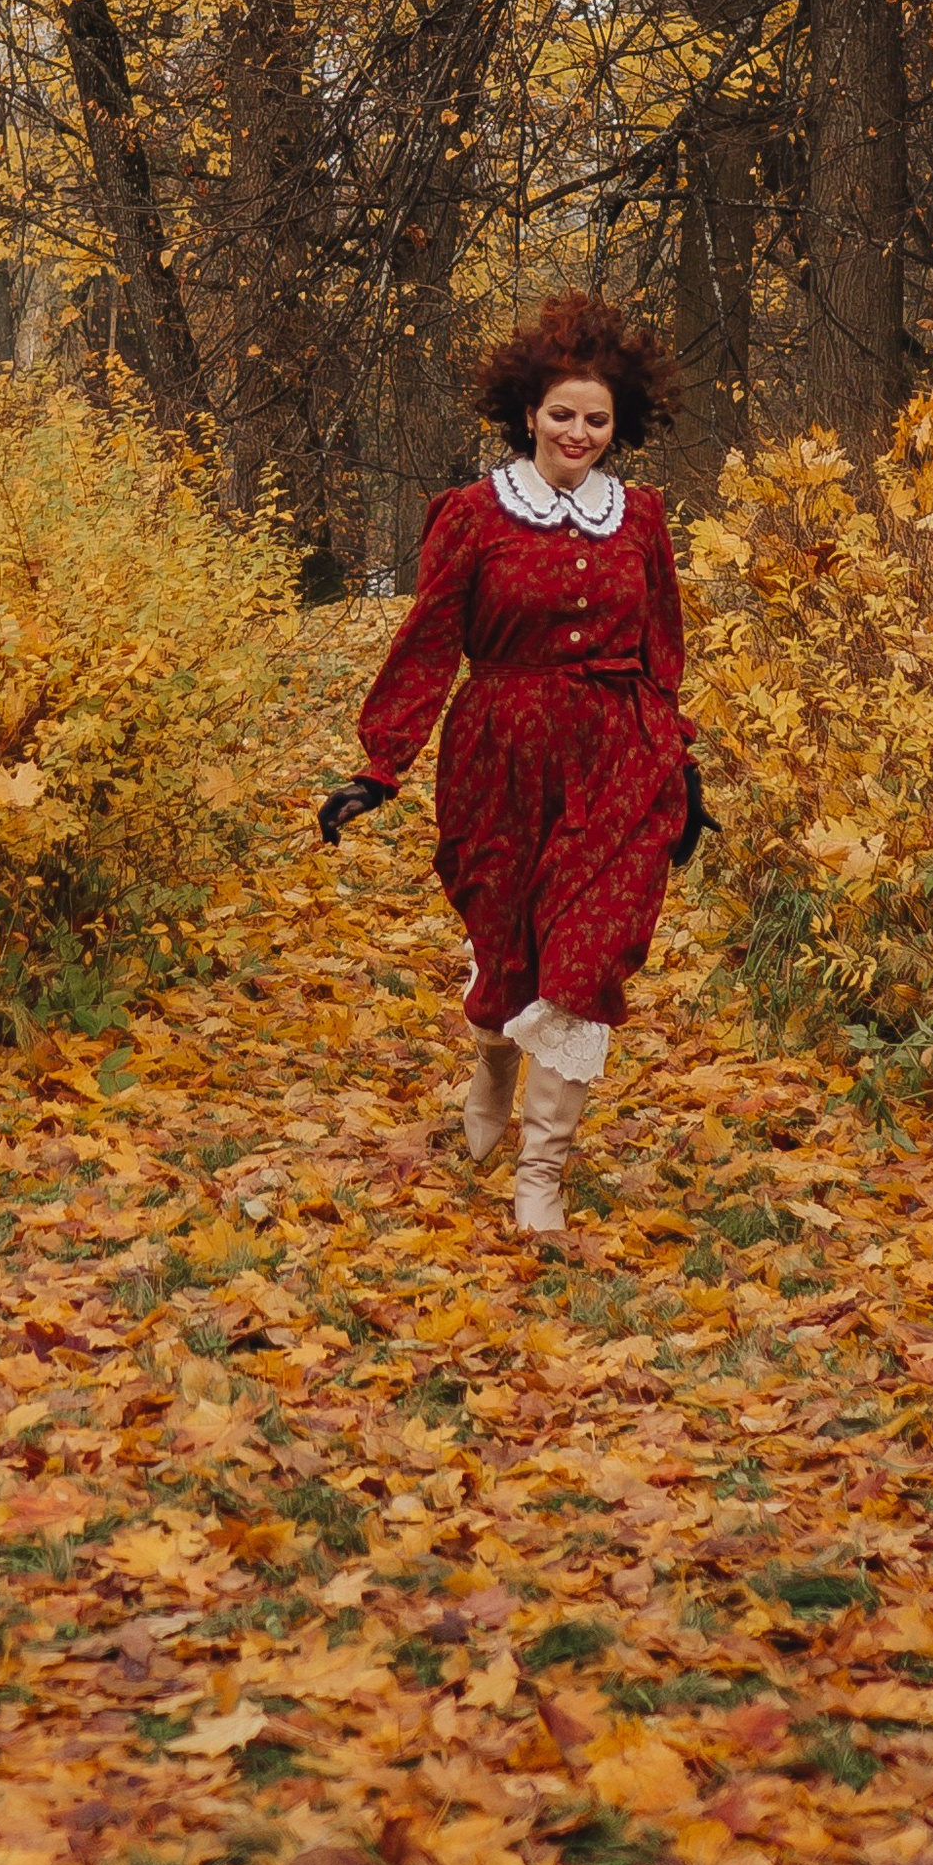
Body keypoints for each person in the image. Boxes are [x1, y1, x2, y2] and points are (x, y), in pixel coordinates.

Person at [315, 295, 713, 1236]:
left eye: (597, 418)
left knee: (584, 960)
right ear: (529, 414)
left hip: (620, 756)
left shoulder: (643, 519)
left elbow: (663, 651)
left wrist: (682, 771)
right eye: (563, 413)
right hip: (499, 752)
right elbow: (429, 641)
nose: (579, 432)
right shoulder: (472, 516)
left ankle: (543, 1174)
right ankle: (494, 1056)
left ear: (621, 426)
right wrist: (381, 766)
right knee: (511, 955)